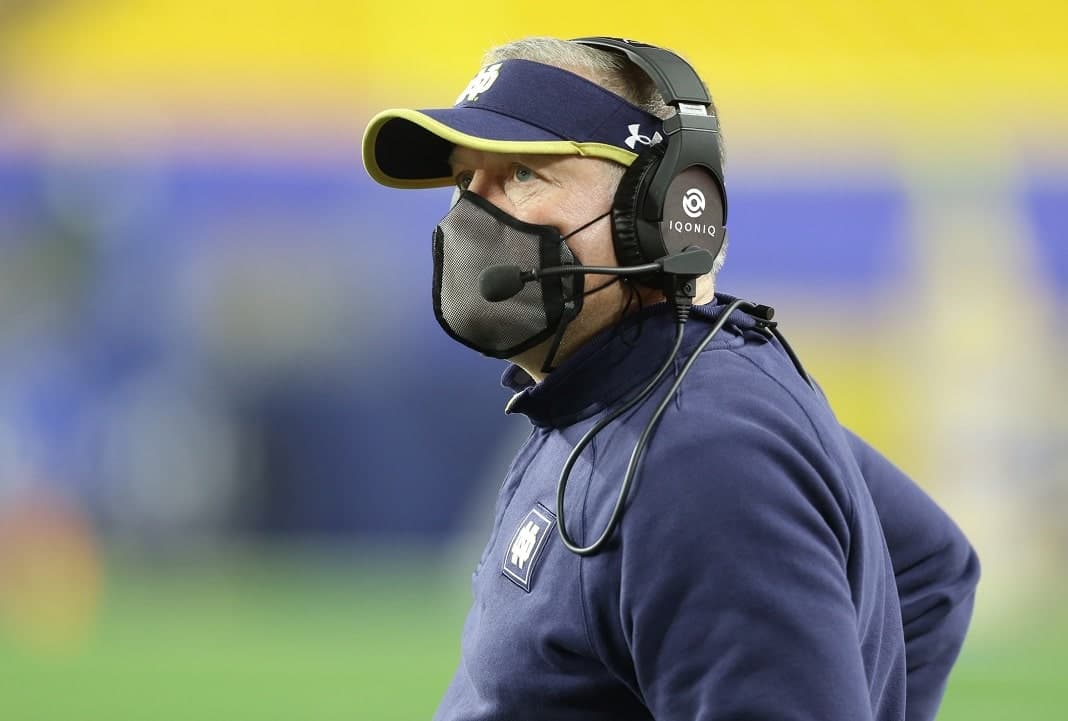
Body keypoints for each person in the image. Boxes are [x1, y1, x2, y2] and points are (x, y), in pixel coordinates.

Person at [362, 36, 979, 721]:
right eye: (464, 182)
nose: (468, 218)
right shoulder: (636, 392)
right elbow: (925, 564)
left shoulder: (705, 449)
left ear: (662, 212)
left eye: (521, 174)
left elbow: (926, 572)